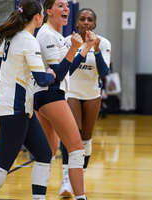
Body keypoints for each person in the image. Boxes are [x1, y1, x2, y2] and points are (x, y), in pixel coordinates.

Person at [0, 0, 57, 199]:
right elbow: (42, 79)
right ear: (38, 17)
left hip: (19, 108)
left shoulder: (10, 37)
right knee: (2, 165)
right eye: (42, 13)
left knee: (44, 155)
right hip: (15, 109)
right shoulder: (28, 40)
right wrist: (52, 74)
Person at [34, 0, 96, 199]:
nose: (66, 8)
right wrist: (74, 48)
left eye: (67, 5)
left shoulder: (56, 35)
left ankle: (38, 198)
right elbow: (57, 75)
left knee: (48, 153)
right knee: (77, 148)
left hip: (45, 96)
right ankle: (81, 198)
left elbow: (66, 68)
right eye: (60, 5)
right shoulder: (47, 34)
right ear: (49, 11)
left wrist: (85, 48)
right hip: (51, 95)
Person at [59, 8, 111, 196]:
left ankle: (80, 178)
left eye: (90, 20)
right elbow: (68, 69)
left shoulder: (103, 43)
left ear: (94, 24)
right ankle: (66, 180)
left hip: (92, 94)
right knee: (72, 134)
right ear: (77, 23)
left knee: (86, 138)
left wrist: (95, 49)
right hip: (71, 92)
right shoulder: (67, 42)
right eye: (82, 19)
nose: (86, 22)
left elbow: (104, 72)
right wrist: (82, 48)